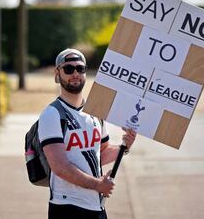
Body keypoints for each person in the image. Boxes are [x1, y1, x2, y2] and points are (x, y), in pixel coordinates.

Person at [38, 48, 137, 219]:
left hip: (95, 205)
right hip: (66, 206)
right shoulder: (52, 114)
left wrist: (125, 146)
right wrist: (98, 184)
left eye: (80, 68)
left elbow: (101, 153)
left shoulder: (95, 112)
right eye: (68, 69)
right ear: (57, 74)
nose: (75, 73)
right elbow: (60, 167)